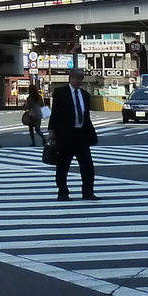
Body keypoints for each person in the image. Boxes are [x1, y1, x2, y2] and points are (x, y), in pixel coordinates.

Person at [50, 70, 98, 201]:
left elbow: (86, 115)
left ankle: (88, 192)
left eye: (81, 79)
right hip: (65, 135)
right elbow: (55, 112)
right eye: (77, 78)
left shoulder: (85, 95)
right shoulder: (61, 92)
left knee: (87, 165)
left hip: (81, 134)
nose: (79, 81)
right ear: (70, 78)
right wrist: (52, 131)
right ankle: (63, 193)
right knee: (63, 166)